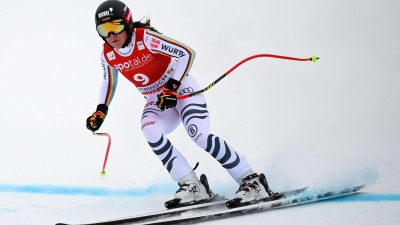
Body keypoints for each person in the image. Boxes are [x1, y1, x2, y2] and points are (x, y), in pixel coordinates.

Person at [86, 0, 280, 207]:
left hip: (182, 90)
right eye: (104, 29)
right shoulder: (107, 54)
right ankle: (192, 185)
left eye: (115, 27)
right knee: (149, 130)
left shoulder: (145, 38)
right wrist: (101, 111)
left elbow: (187, 53)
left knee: (198, 133)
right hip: (157, 99)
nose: (111, 35)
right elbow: (108, 82)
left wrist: (172, 86)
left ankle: (251, 180)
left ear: (127, 23)